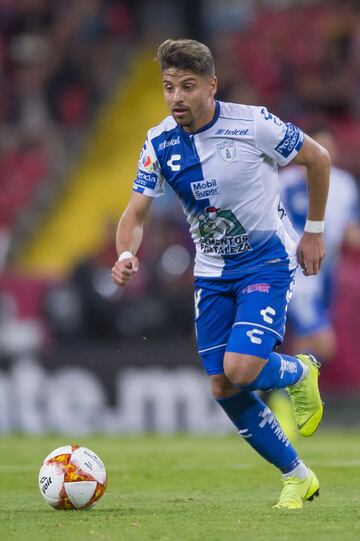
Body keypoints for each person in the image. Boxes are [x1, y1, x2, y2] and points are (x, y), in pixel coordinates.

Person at [112, 39, 330, 509]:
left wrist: (314, 231)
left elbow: (318, 159)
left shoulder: (253, 123)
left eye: (188, 87)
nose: (176, 98)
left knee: (241, 368)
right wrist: (126, 254)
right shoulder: (158, 142)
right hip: (212, 273)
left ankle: (298, 372)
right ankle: (298, 477)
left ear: (212, 85)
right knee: (223, 386)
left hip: (266, 261)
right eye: (169, 87)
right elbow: (135, 213)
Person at [279, 127, 360, 361]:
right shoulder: (283, 183)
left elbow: (348, 231)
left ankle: (289, 395)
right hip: (297, 272)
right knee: (323, 342)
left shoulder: (344, 184)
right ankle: (280, 396)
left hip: (326, 273)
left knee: (305, 343)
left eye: (327, 149)